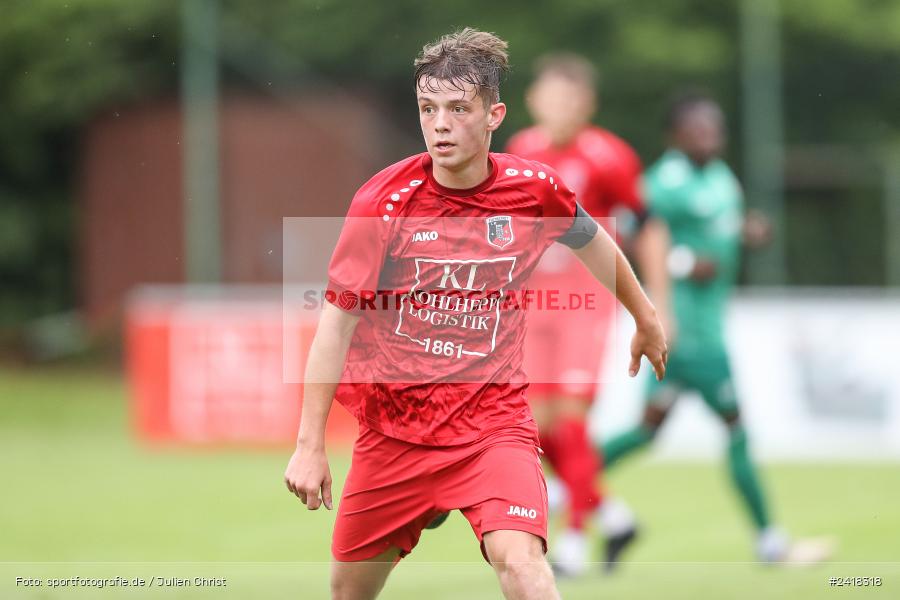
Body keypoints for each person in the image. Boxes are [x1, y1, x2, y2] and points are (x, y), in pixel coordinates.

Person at [283, 28, 668, 600]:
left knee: (523, 564)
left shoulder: (534, 189)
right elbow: (335, 326)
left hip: (492, 426)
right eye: (428, 109)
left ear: (494, 115)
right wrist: (310, 444)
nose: (440, 123)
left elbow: (592, 240)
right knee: (348, 593)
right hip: (395, 434)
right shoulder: (381, 204)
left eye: (458, 109)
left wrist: (645, 315)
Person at [598, 91, 827, 564]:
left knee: (646, 430)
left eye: (715, 128)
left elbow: (718, 226)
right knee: (737, 428)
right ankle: (770, 542)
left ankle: (562, 477)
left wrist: (747, 232)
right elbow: (630, 232)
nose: (711, 136)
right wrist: (681, 263)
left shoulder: (720, 178)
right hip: (691, 332)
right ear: (676, 136)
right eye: (699, 129)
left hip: (691, 330)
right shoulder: (664, 181)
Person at [505, 53, 670, 576]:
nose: (558, 107)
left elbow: (648, 225)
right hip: (531, 303)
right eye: (550, 97)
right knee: (534, 426)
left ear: (586, 105)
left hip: (585, 303)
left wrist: (656, 304)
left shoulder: (608, 156)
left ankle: (572, 540)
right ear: (533, 101)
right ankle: (614, 517)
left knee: (572, 420)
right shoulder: (520, 151)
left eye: (569, 98)